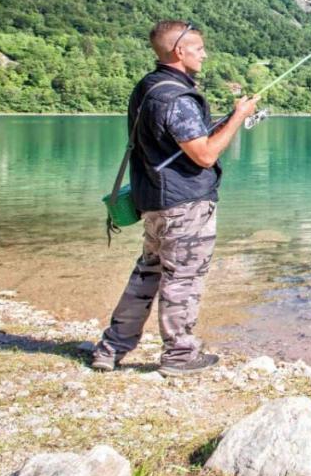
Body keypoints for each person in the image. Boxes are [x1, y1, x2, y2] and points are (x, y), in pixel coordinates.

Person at [91, 20, 259, 376]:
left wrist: (228, 118)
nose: (204, 54)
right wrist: (239, 118)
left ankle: (111, 347)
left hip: (153, 199)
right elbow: (205, 155)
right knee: (183, 276)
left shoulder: (148, 87)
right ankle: (179, 355)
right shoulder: (177, 97)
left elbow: (176, 142)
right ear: (179, 51)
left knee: (148, 271)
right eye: (199, 49)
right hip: (185, 205)